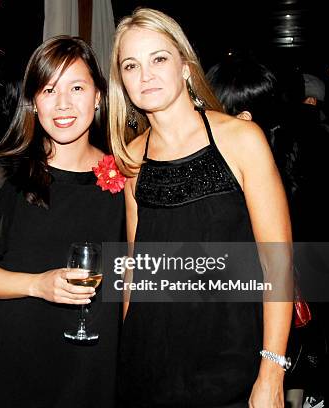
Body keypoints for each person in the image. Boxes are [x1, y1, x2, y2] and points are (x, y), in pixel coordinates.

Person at [108, 8, 292, 407]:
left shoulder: (241, 140)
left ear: (185, 67)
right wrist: (127, 347)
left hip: (233, 364)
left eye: (159, 59)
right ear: (121, 81)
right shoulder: (132, 160)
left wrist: (272, 372)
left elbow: (277, 263)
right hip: (148, 366)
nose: (146, 75)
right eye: (131, 65)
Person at [0, 36, 125, 408]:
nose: (63, 104)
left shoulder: (125, 176)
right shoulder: (5, 175)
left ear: (98, 96)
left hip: (99, 363)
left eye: (77, 87)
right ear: (33, 102)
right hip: (20, 361)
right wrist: (37, 284)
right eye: (48, 89)